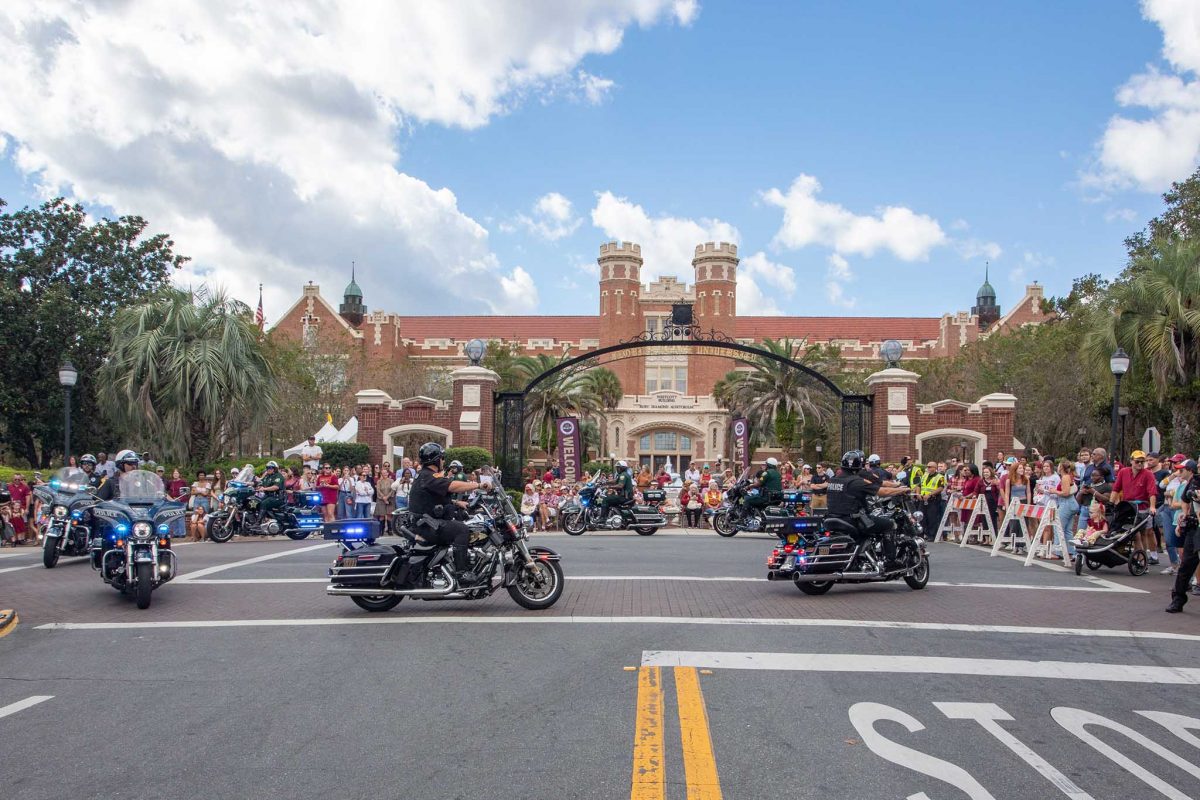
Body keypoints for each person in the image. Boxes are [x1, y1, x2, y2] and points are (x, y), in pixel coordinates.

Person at [408, 442, 482, 584]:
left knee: (463, 525)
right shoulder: (429, 476)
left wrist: (456, 503)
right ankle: (461, 573)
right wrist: (478, 485)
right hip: (426, 525)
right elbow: (451, 486)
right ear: (435, 459)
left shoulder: (426, 476)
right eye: (442, 458)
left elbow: (431, 498)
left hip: (427, 522)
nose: (443, 461)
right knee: (461, 529)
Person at [825, 450, 912, 567]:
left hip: (832, 518)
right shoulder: (856, 481)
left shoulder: (833, 480)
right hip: (853, 520)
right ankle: (891, 561)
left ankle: (864, 553)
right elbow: (883, 491)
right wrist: (902, 489)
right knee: (889, 525)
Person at [1112, 449, 1159, 565]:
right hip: (1128, 507)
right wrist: (1111, 503)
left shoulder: (1148, 474)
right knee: (1134, 533)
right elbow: (1116, 489)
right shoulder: (1123, 472)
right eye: (1137, 461)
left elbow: (1152, 492)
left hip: (1143, 507)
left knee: (1146, 532)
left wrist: (1152, 507)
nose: (1140, 464)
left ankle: (1148, 556)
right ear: (1131, 461)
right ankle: (1141, 558)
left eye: (1142, 462)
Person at [1166, 459, 1199, 613]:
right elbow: (1185, 500)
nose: (1199, 466)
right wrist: (1184, 517)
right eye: (1198, 463)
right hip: (1194, 530)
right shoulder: (1195, 482)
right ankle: (1177, 599)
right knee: (1186, 565)